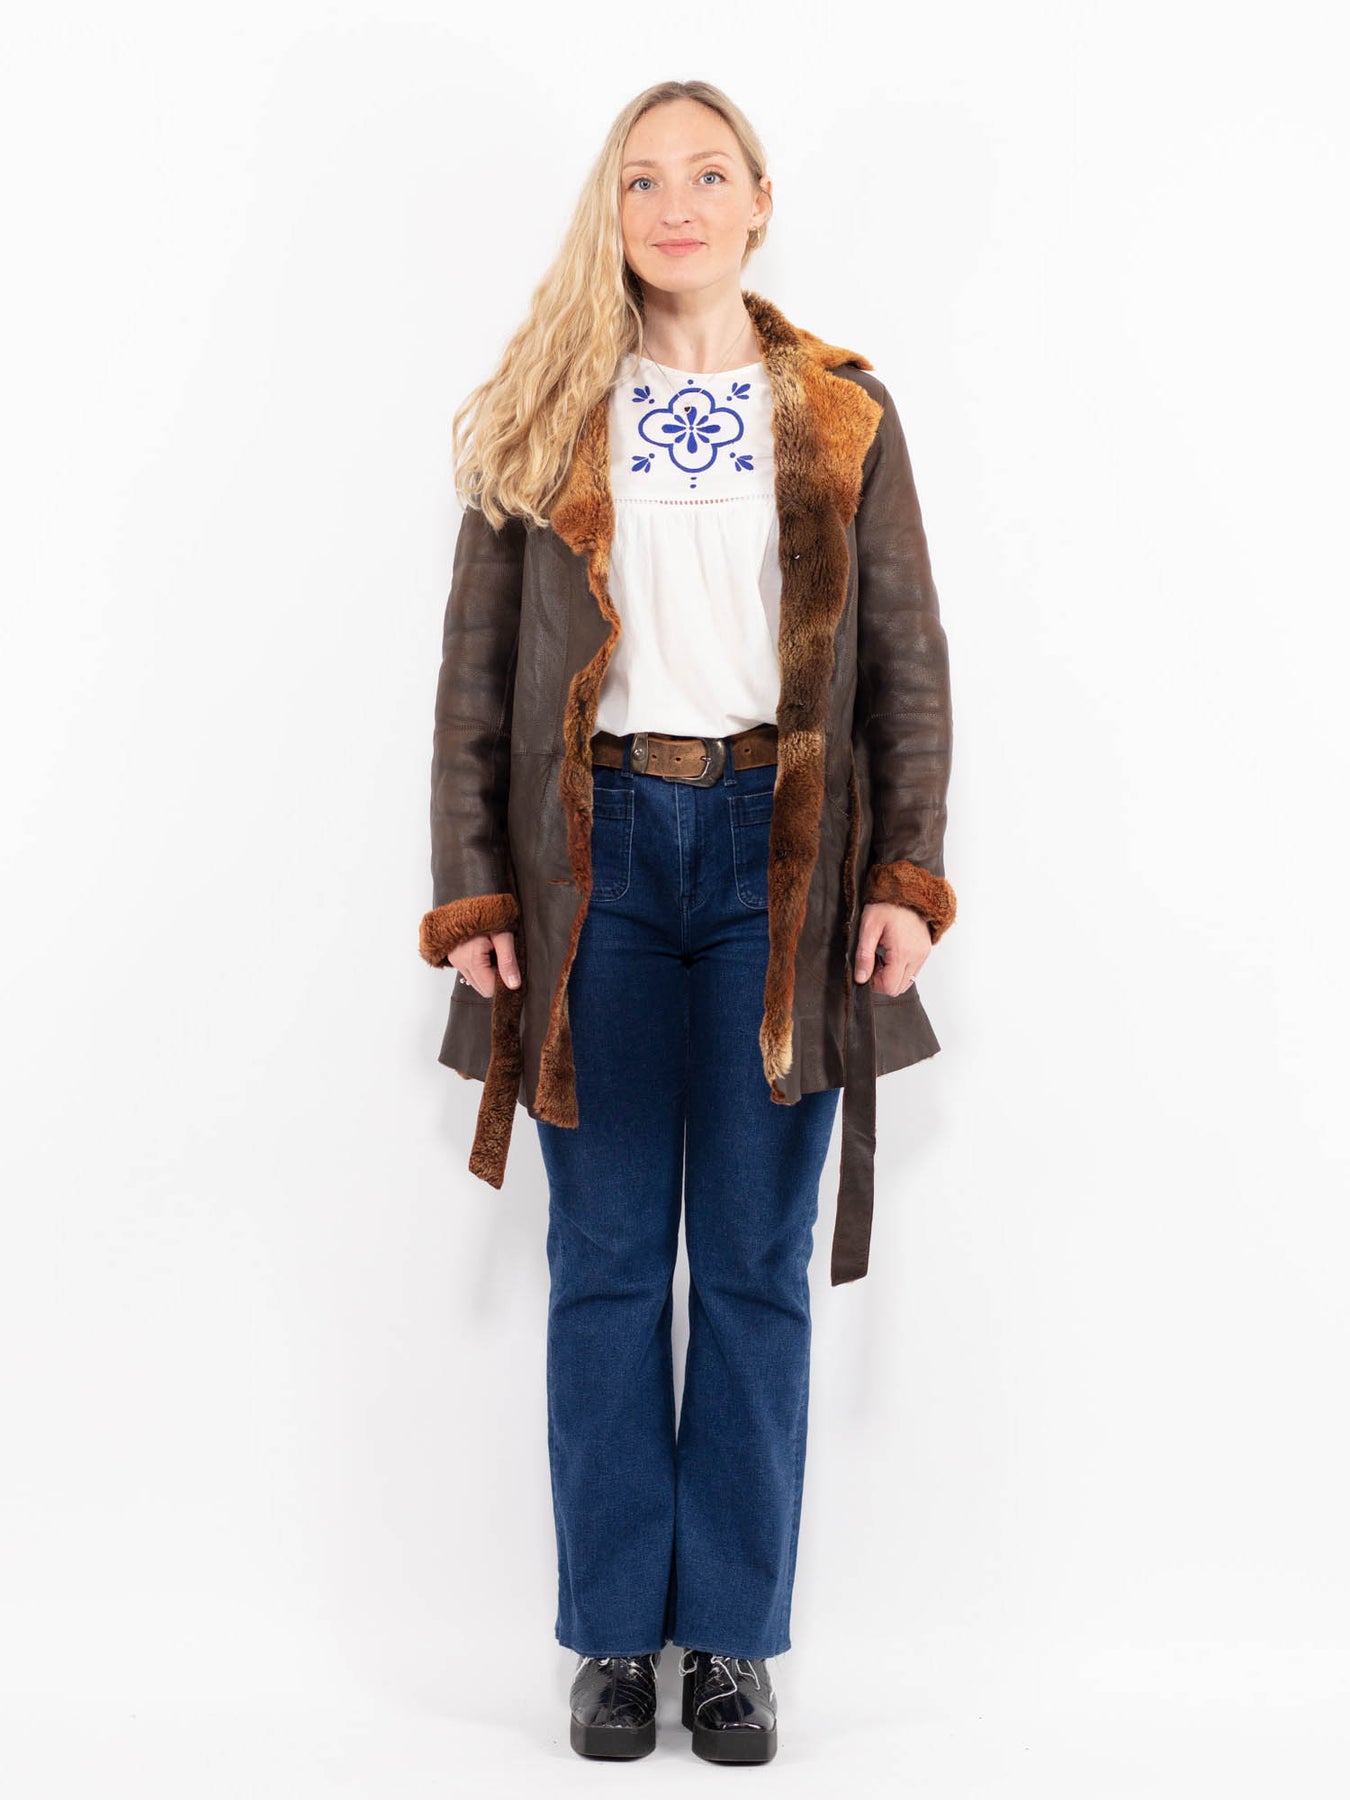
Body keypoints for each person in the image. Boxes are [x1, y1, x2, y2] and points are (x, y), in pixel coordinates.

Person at [417, 79, 956, 1764]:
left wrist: (903, 877)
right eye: (643, 179)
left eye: (707, 174)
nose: (676, 205)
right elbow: (473, 679)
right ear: (615, 211)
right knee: (599, 1263)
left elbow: (905, 667)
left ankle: (725, 1641)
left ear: (757, 201)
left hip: (772, 862)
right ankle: (609, 1643)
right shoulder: (547, 405)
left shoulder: (845, 414)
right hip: (593, 866)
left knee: (746, 1265)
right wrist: (475, 892)